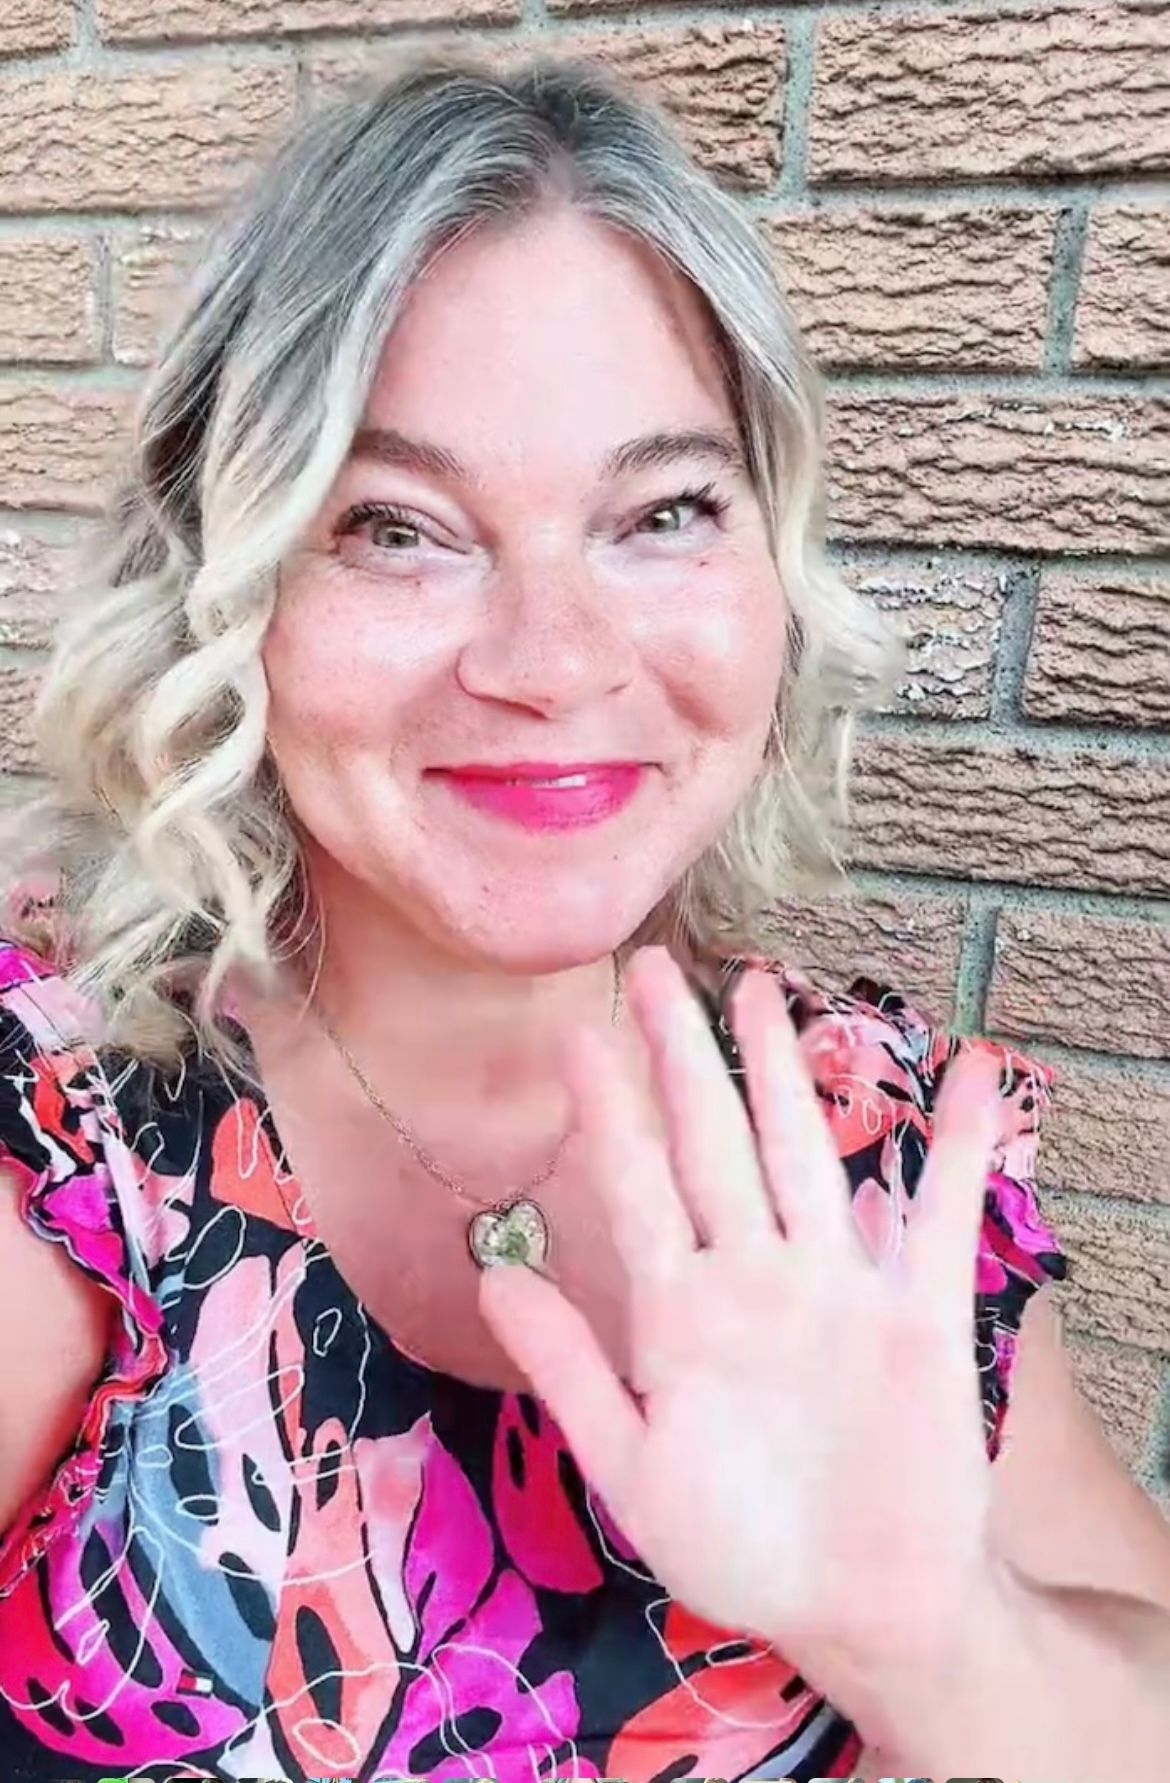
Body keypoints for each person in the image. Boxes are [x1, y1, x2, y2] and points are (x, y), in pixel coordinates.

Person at [0, 49, 1167, 1783]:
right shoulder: (66, 1118)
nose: (551, 665)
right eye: (394, 528)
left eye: (662, 513)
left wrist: (929, 1628)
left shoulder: (871, 1136)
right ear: (221, 587)